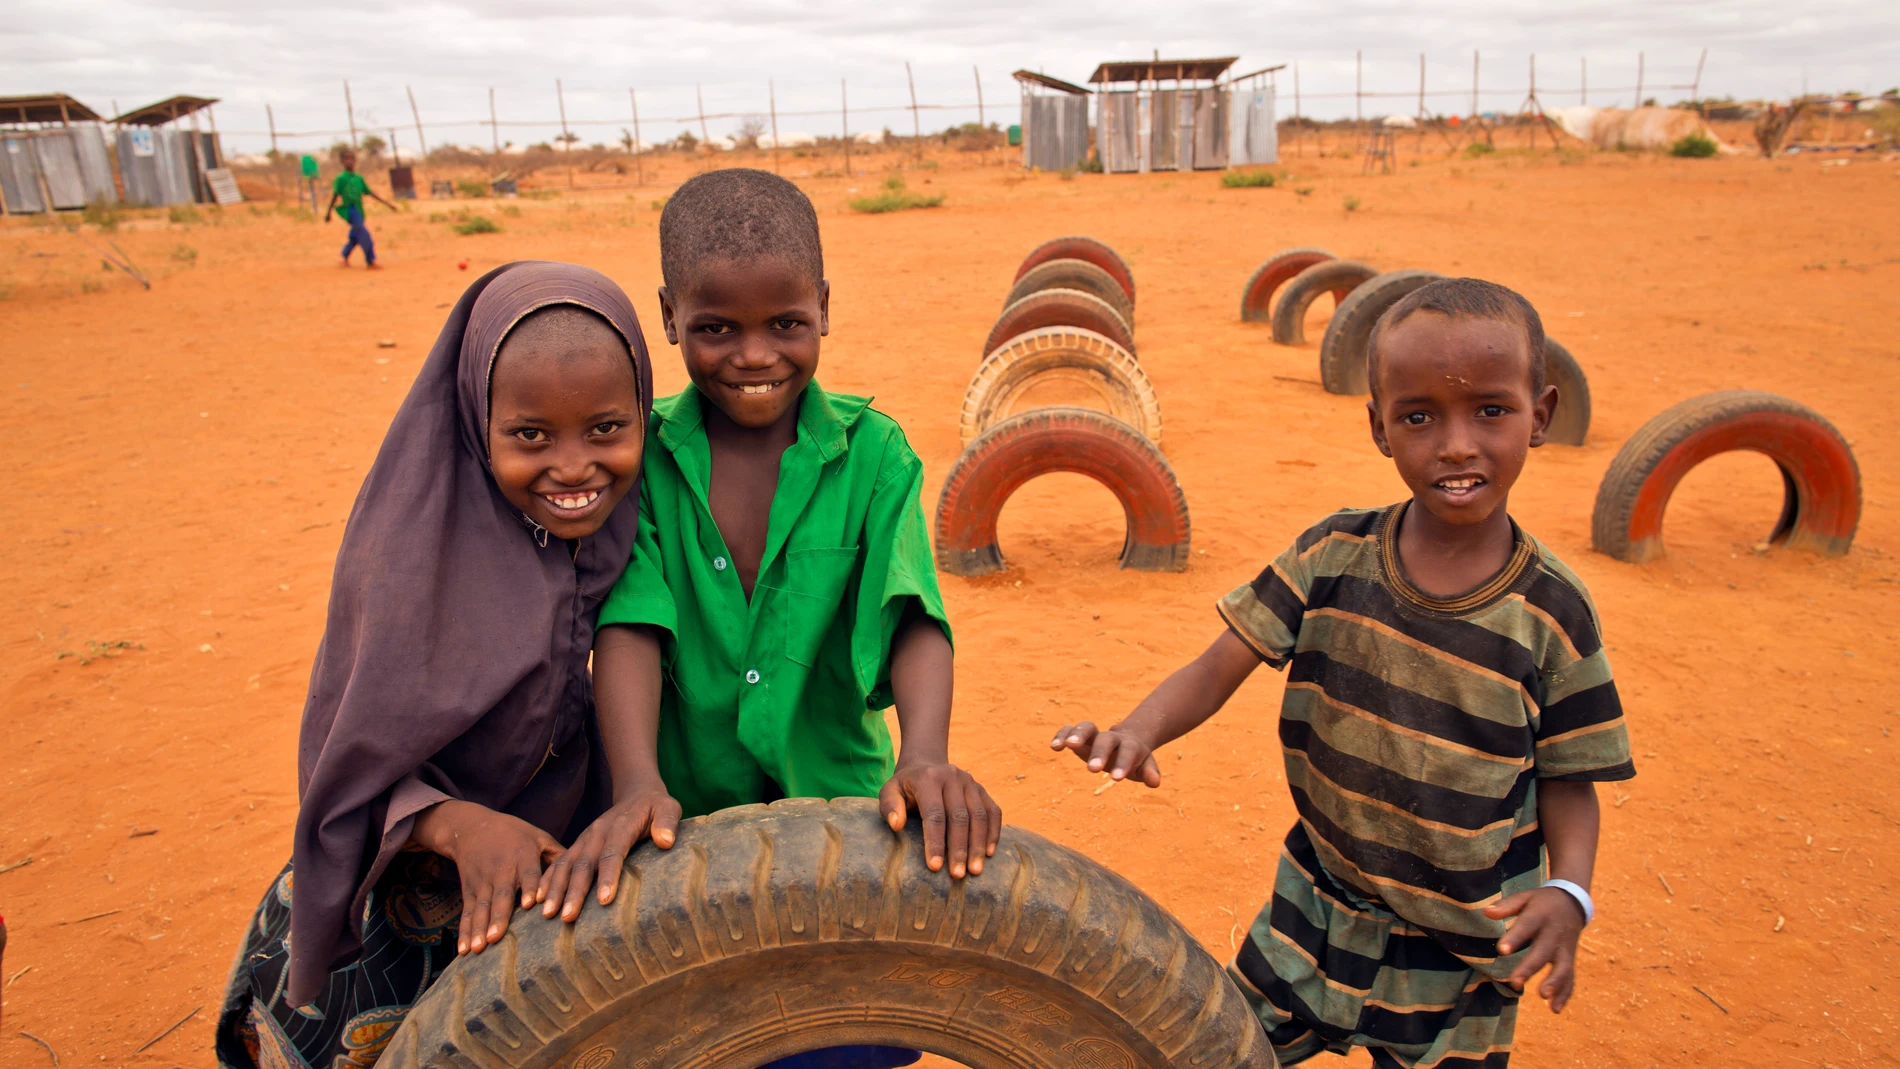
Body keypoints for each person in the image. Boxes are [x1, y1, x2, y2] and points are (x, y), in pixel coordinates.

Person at [1051, 278, 1635, 1068]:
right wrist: (1137, 729)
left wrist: (1571, 891)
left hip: (1461, 951)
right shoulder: (1332, 556)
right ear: (1378, 427)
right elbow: (1221, 661)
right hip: (1315, 904)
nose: (1457, 444)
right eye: (1419, 416)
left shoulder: (1553, 614)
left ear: (1542, 414)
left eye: (1490, 410)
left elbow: (1571, 775)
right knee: (1221, 1050)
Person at [544, 169, 998, 1069]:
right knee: (689, 1035)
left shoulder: (875, 455)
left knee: (841, 1033)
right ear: (670, 316)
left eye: (784, 323)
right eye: (716, 328)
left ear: (824, 307)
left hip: (842, 822)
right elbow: (629, 623)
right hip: (683, 828)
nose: (754, 356)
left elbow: (911, 612)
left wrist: (927, 755)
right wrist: (635, 781)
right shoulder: (642, 457)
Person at [214, 262, 656, 1069]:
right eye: (530, 435)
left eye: (604, 429)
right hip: (401, 885)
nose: (573, 467)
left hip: (553, 860)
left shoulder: (624, 521)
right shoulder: (407, 561)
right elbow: (341, 768)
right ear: (472, 421)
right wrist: (458, 825)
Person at [324, 148, 395, 268]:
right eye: (346, 159)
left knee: (355, 236)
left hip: (359, 209)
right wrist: (328, 212)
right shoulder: (340, 179)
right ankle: (370, 261)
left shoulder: (358, 178)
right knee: (364, 235)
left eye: (351, 158)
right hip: (350, 209)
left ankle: (344, 257)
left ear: (355, 160)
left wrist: (387, 204)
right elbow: (335, 195)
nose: (349, 161)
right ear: (342, 161)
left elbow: (369, 192)